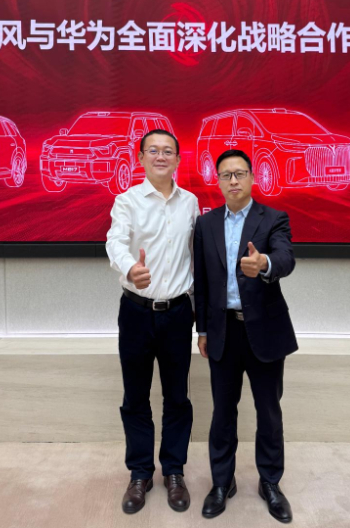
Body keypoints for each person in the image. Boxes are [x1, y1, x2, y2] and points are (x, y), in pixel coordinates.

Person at [194, 149, 298, 523]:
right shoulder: (205, 224)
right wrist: (202, 329)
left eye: (240, 173)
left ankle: (270, 483)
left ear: (253, 177)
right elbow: (202, 281)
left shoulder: (273, 218)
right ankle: (222, 483)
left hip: (265, 331)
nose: (233, 180)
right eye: (226, 175)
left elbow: (285, 258)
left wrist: (264, 263)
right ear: (218, 181)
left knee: (268, 412)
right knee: (223, 412)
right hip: (222, 332)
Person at [106, 129, 200, 515]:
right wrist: (131, 268)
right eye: (153, 150)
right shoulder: (126, 201)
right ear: (141, 158)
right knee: (136, 397)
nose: (160, 156)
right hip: (136, 313)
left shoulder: (191, 203)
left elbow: (198, 255)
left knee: (177, 397)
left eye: (168, 151)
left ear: (177, 159)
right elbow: (115, 241)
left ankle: (174, 471)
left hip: (177, 313)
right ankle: (140, 473)